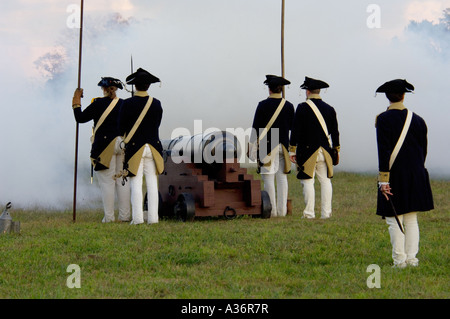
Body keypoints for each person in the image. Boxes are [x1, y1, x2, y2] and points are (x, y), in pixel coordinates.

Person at [375, 79, 434, 268]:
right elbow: (423, 150)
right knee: (411, 218)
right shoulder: (418, 120)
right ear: (403, 95)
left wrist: (384, 180)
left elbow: (383, 151)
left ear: (387, 97)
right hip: (416, 174)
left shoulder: (383, 119)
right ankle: (412, 259)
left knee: (394, 219)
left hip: (394, 175)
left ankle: (400, 260)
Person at [72, 77, 131, 223]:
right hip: (122, 144)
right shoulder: (124, 104)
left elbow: (80, 118)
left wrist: (76, 100)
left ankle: (109, 217)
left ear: (103, 89)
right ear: (115, 89)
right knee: (122, 180)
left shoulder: (97, 104)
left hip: (105, 146)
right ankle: (125, 216)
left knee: (107, 182)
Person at [289, 76, 340, 219]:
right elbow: (335, 132)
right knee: (325, 181)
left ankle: (309, 213)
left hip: (307, 150)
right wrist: (336, 149)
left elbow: (296, 131)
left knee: (307, 181)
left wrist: (292, 150)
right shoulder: (330, 109)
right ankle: (326, 213)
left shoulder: (302, 108)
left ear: (308, 91)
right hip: (325, 150)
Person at [120, 68, 164, 225]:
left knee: (136, 184)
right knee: (152, 184)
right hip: (152, 147)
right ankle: (153, 219)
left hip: (135, 147)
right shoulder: (157, 104)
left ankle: (137, 219)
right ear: (148, 86)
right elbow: (156, 124)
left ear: (135, 86)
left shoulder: (127, 104)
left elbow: (121, 127)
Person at [250, 75, 294, 217]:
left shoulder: (262, 105)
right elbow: (292, 127)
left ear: (269, 89)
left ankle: (272, 211)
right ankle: (282, 211)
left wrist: (252, 147)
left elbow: (255, 128)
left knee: (268, 178)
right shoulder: (289, 106)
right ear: (280, 90)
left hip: (267, 143)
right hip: (283, 143)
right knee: (282, 178)